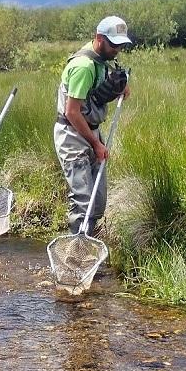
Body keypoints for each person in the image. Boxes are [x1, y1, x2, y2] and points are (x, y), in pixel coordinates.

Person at [54, 16, 131, 236]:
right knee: (83, 200)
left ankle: (88, 240)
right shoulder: (83, 66)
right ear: (99, 38)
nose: (117, 49)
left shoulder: (101, 60)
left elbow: (95, 95)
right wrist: (96, 144)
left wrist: (121, 89)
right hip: (72, 135)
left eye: (121, 45)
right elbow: (72, 112)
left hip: (91, 131)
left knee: (98, 200)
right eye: (114, 44)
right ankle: (76, 255)